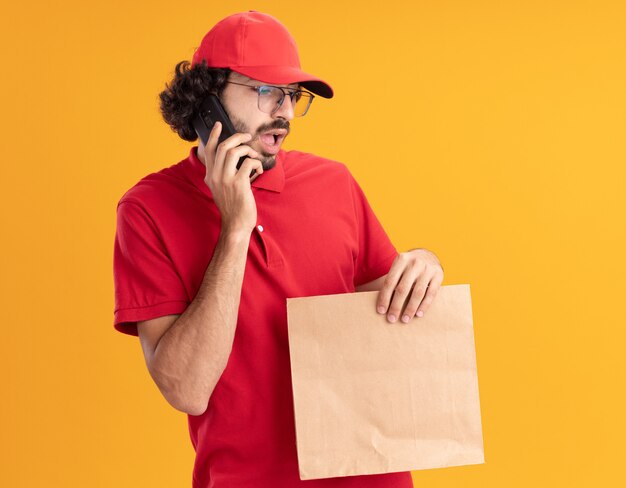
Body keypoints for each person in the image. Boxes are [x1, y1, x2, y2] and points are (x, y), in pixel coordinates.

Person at [113, 10, 444, 488]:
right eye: (266, 92)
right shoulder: (147, 210)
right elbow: (186, 389)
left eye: (292, 96)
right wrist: (234, 230)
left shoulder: (334, 183)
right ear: (209, 101)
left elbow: (394, 317)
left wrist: (423, 264)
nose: (285, 113)